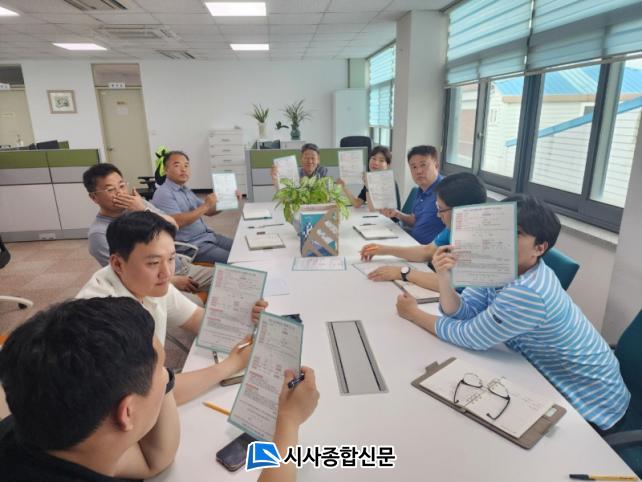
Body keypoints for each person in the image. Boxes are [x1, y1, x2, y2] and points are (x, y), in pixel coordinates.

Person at [0, 298, 320, 482]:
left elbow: (155, 461)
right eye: (163, 372)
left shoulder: (34, 431)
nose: (169, 378)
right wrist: (288, 422)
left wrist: (158, 371)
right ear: (127, 413)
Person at [395, 194, 630, 430]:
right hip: (539, 374)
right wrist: (444, 278)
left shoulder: (528, 291)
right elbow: (464, 312)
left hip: (591, 404)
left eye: (516, 233)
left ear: (539, 248)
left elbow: (469, 336)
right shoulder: (498, 266)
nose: (502, 240)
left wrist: (414, 314)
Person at [76, 211, 266, 405]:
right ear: (117, 263)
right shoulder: (103, 316)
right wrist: (231, 365)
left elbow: (197, 319)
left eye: (171, 258)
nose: (167, 273)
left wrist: (243, 317)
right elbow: (151, 396)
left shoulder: (146, 283)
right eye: (153, 263)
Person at [83, 163, 212, 298]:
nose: (120, 193)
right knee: (198, 305)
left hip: (179, 267)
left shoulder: (136, 205)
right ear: (94, 197)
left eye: (122, 186)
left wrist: (143, 209)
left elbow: (173, 225)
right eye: (110, 190)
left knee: (224, 279)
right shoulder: (99, 234)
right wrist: (173, 281)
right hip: (154, 285)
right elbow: (123, 276)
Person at [361, 172, 487, 291]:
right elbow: (427, 251)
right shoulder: (454, 228)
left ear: (461, 211)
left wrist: (402, 272)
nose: (438, 215)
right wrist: (384, 249)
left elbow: (449, 283)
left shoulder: (483, 241)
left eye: (441, 209)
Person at [151, 150, 234, 264]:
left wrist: (229, 201)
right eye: (177, 165)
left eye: (186, 165)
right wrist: (206, 205)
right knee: (235, 260)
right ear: (166, 169)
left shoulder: (185, 190)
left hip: (208, 237)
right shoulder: (163, 193)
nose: (183, 169)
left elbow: (208, 211)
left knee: (241, 249)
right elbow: (176, 222)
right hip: (192, 246)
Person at [379, 145, 445, 244]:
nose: (418, 171)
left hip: (428, 251)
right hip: (411, 243)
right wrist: (397, 213)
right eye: (414, 167)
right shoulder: (421, 189)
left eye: (423, 165)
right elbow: (415, 220)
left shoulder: (445, 190)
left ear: (436, 165)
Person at [336, 145, 401, 211]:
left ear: (388, 165)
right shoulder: (370, 180)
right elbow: (357, 203)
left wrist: (368, 186)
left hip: (388, 217)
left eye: (381, 160)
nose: (376, 163)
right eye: (373, 158)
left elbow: (373, 209)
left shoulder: (389, 182)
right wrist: (344, 187)